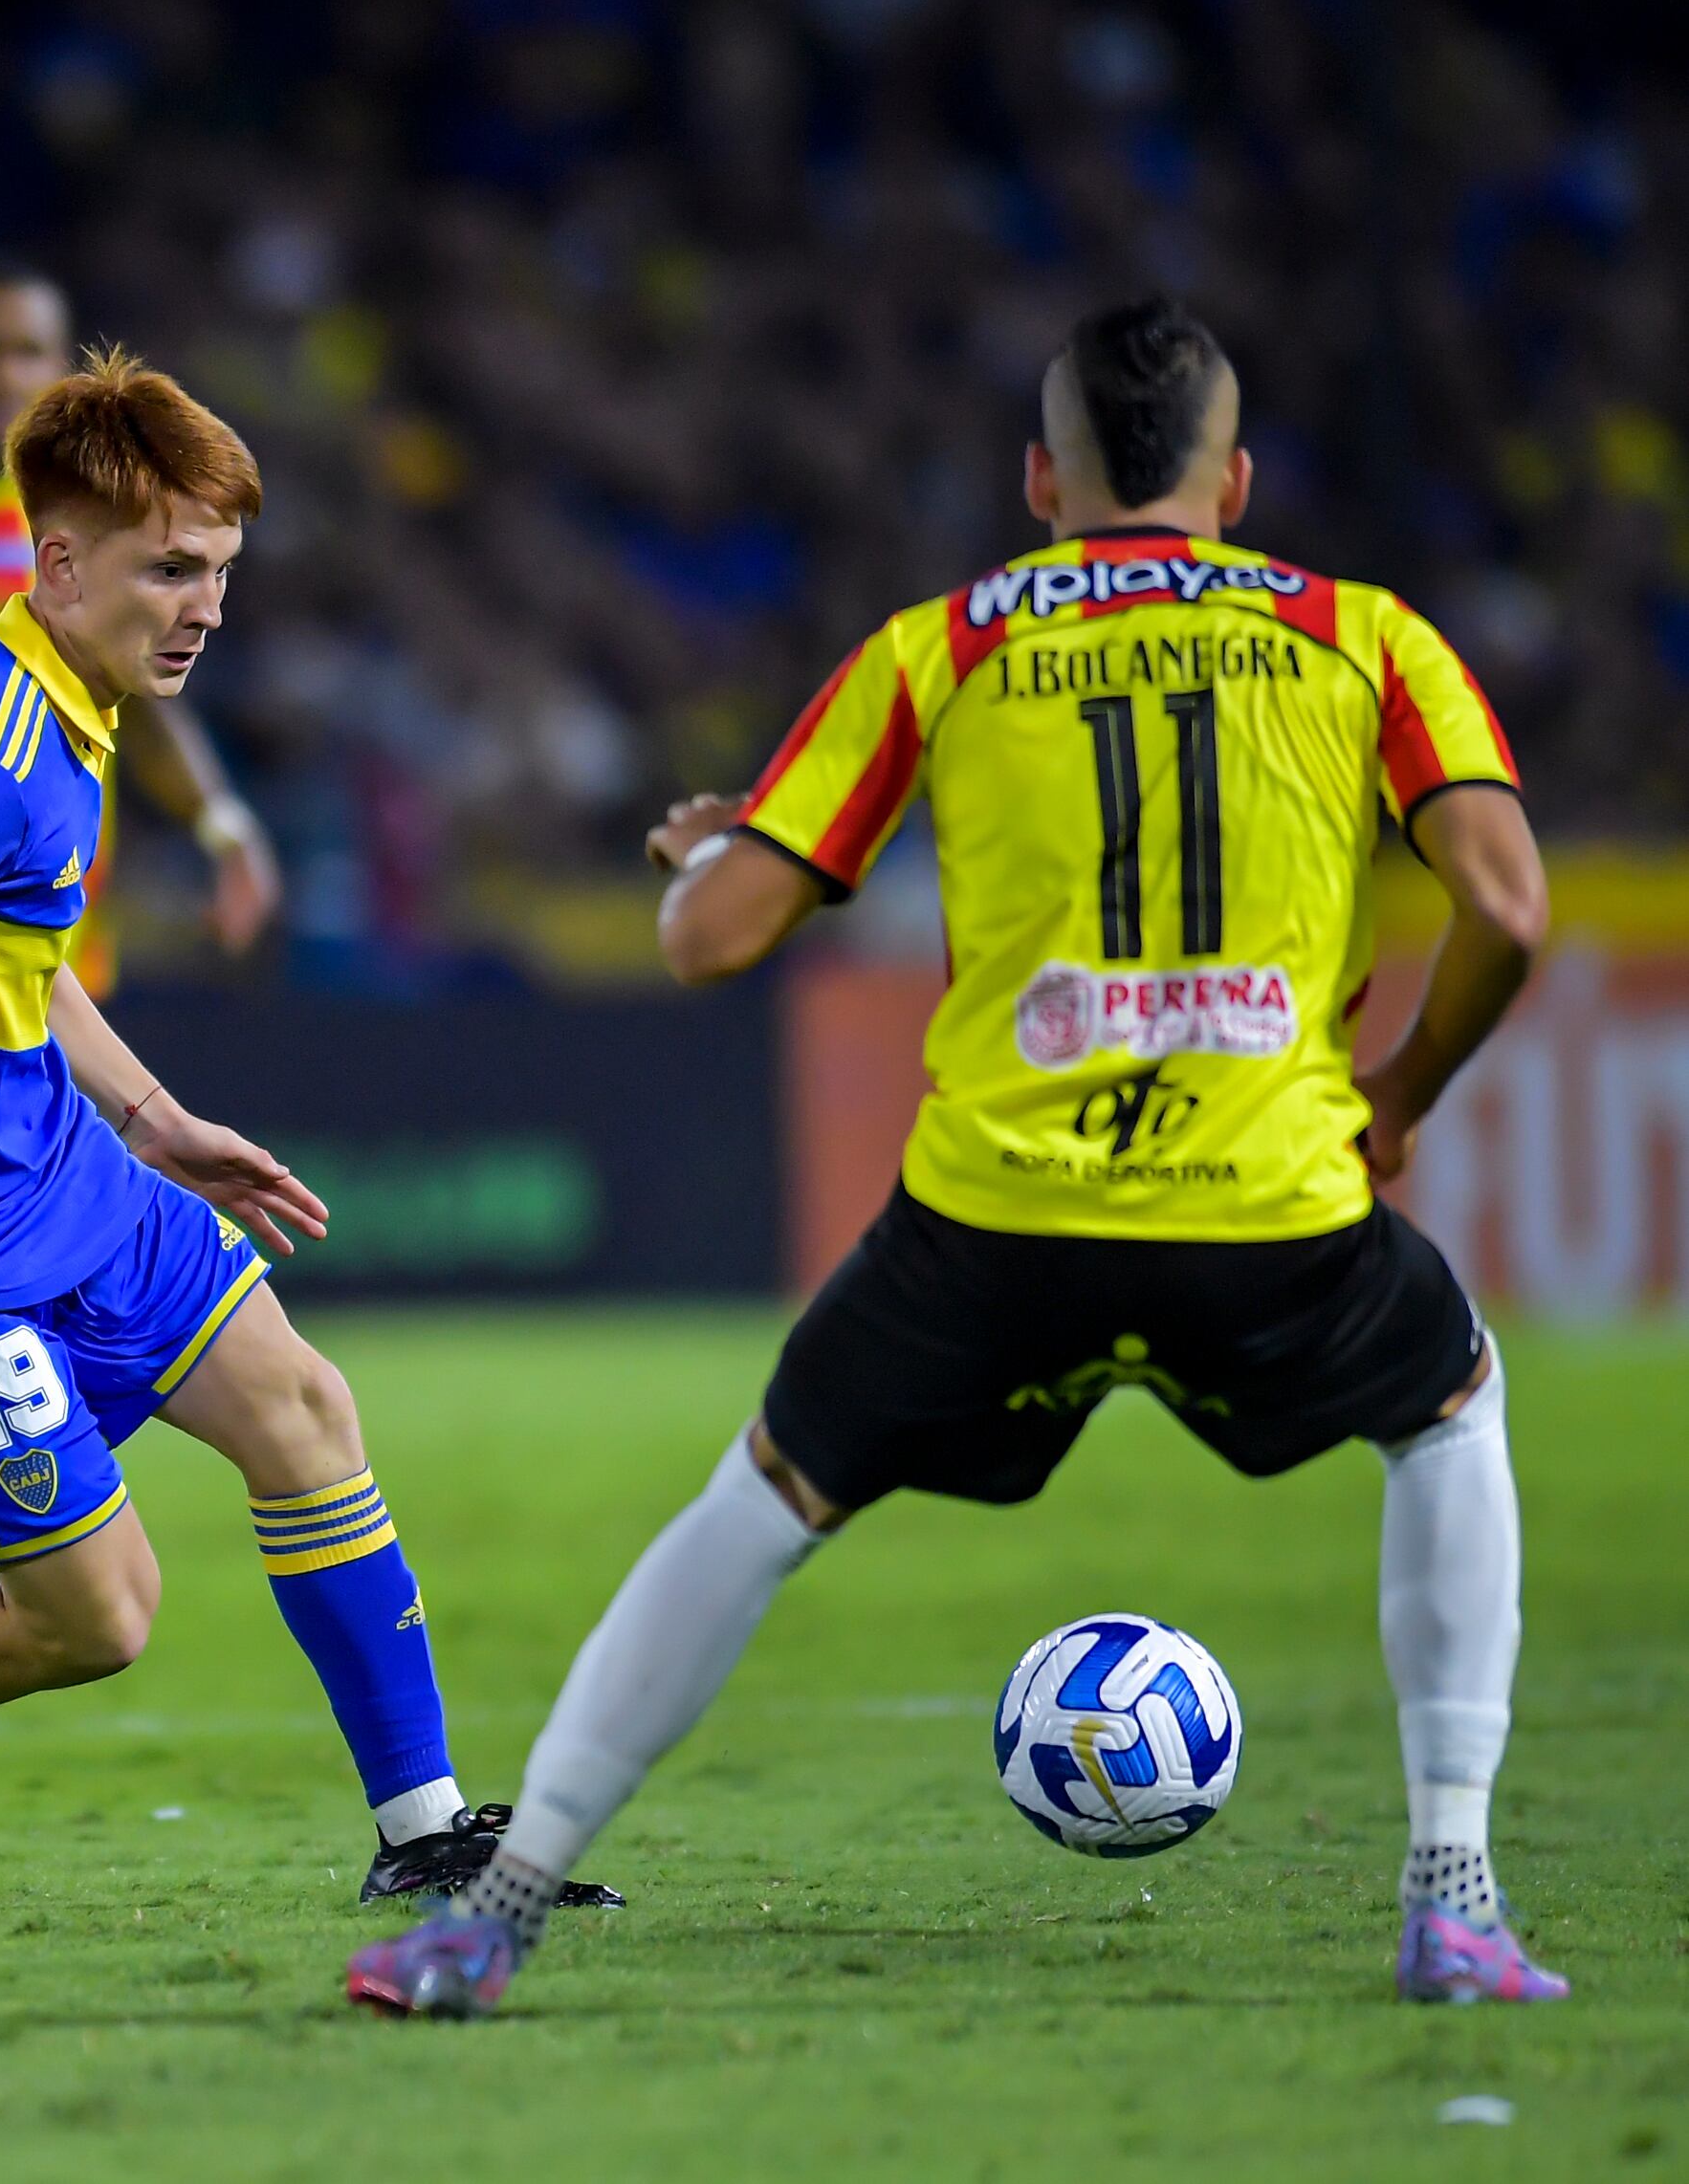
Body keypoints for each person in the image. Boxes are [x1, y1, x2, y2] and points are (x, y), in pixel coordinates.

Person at [346, 295, 1563, 2017]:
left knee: (765, 1496)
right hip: (1272, 1199)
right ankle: (1453, 1894)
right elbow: (1509, 905)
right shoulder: (1367, 638)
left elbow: (711, 943)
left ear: (1041, 482)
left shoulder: (946, 645)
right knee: (1448, 1408)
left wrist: (714, 859)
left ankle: (496, 1911)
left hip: (1000, 1213)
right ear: (1233, 486)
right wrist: (1409, 1083)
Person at [0, 348, 623, 1920]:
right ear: (60, 563)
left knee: (305, 1409)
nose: (206, 609)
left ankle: (425, 1827)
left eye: (221, 571)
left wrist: (157, 1117)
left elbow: (13, 954)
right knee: (97, 1617)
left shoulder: (65, 695)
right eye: (171, 569)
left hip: (70, 1180)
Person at [0, 260, 286, 1609]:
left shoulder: (114, 522)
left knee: (32, 1245)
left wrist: (219, 819)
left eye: (29, 352)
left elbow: (143, 693)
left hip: (40, 955)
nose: (7, 376)